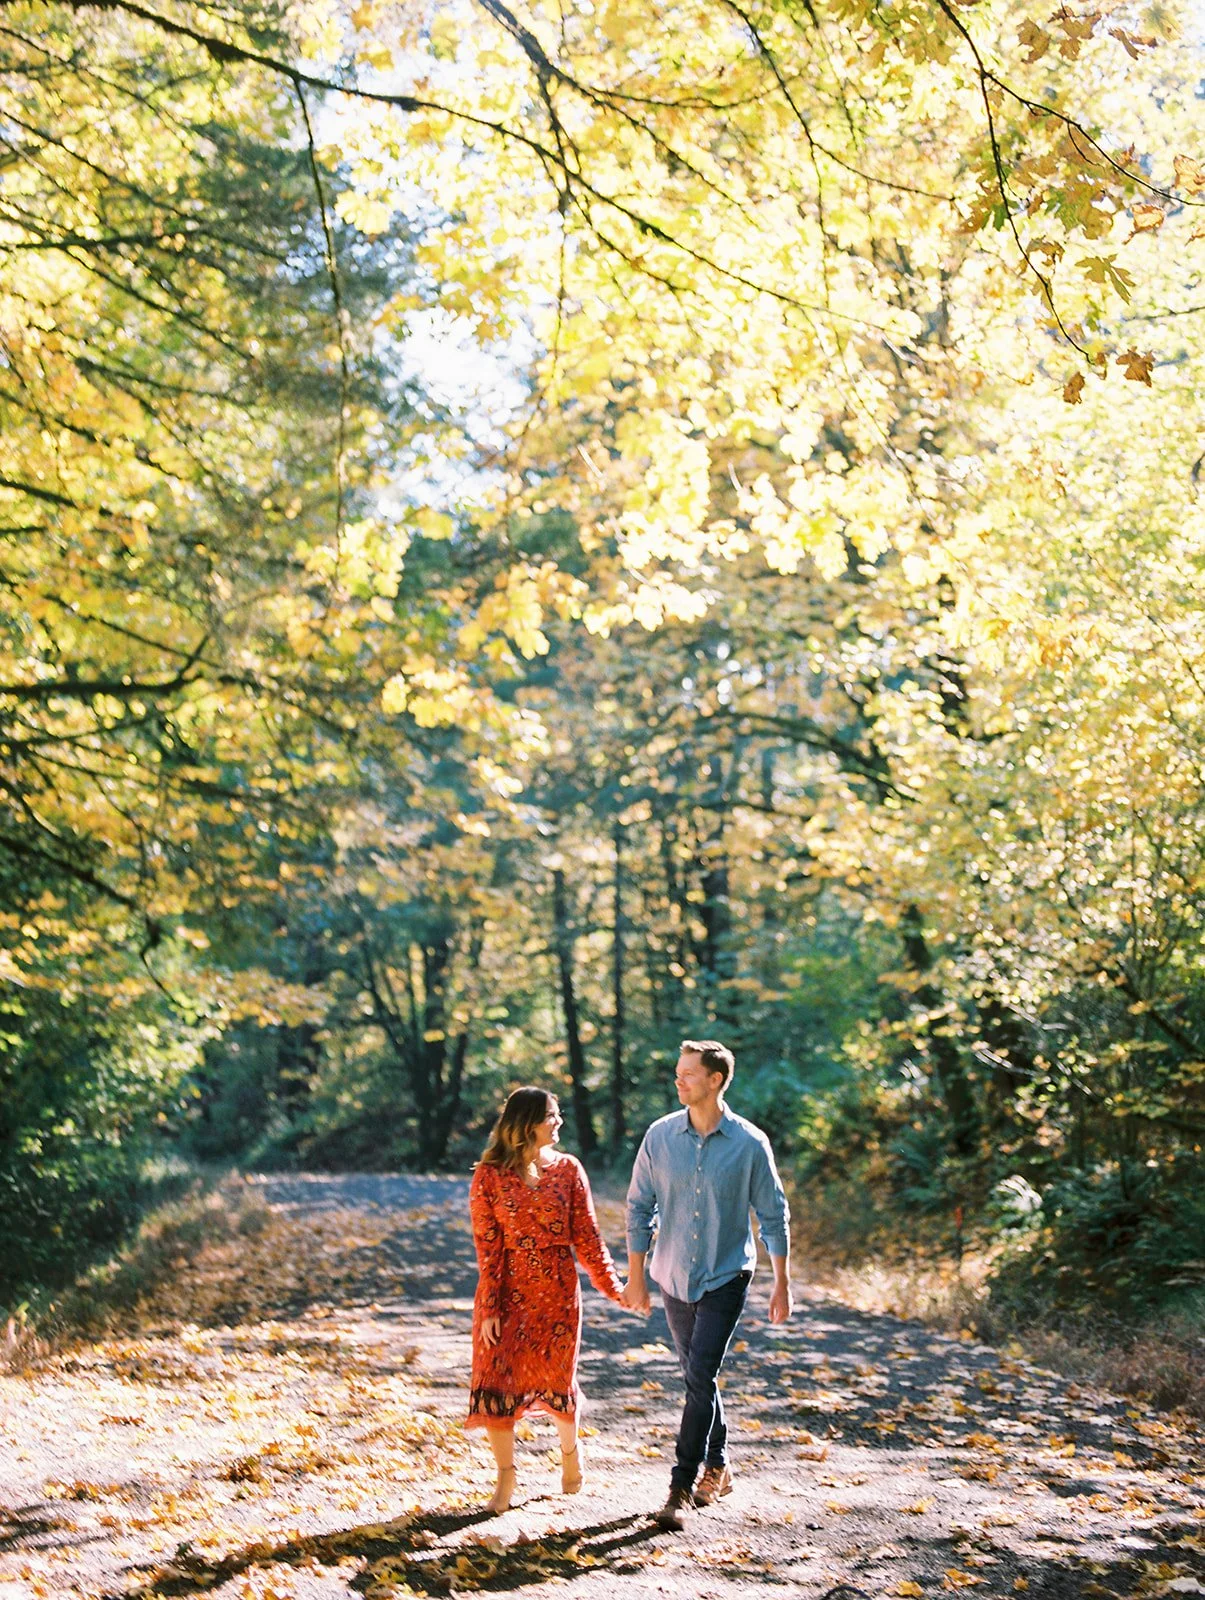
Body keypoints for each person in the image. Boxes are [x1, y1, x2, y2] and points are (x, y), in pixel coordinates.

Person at [622, 1039, 792, 1531]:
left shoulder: (749, 1143)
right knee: (699, 1379)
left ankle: (681, 1486)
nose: (679, 1080)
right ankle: (719, 1465)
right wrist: (637, 1277)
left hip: (726, 1276)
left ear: (715, 1080)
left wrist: (782, 1282)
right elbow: (638, 1206)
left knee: (699, 1375)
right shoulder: (659, 1137)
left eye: (689, 1074)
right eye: (678, 1072)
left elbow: (773, 1215)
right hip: (673, 1274)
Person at [466, 1086, 627, 1513]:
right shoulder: (489, 1175)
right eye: (551, 1116)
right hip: (506, 1291)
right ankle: (505, 1478)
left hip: (556, 1291)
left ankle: (570, 1457)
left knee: (555, 1379)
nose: (559, 1122)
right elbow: (489, 1247)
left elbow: (588, 1236)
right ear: (527, 1122)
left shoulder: (570, 1170)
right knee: (497, 1378)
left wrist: (613, 1287)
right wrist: (491, 1308)